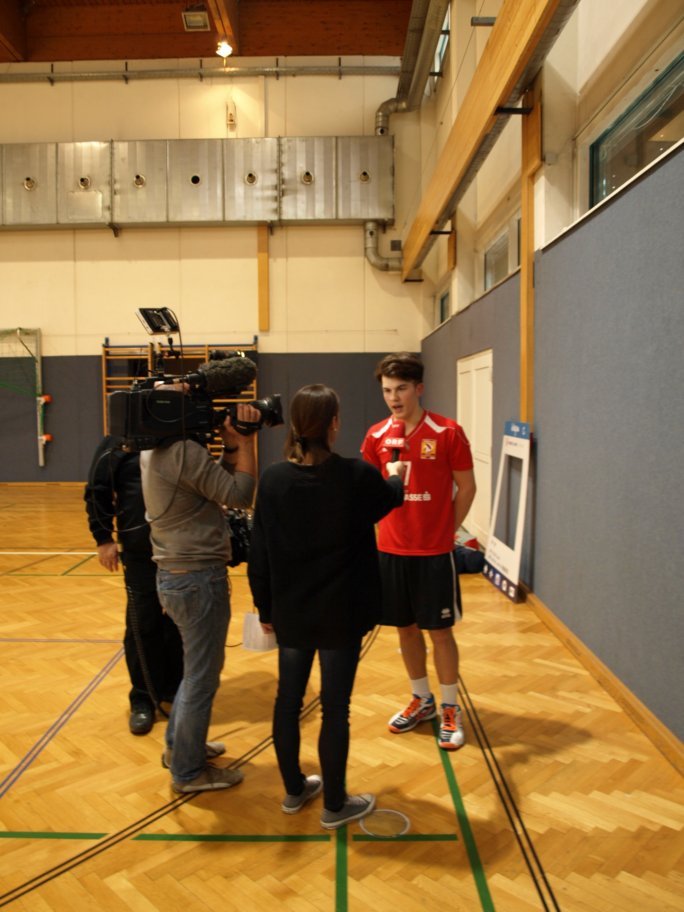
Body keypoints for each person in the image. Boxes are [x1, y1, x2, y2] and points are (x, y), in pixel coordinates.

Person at [247, 384, 405, 829]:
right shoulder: (357, 476)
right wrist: (397, 475)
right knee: (336, 708)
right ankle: (335, 804)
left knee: (287, 702)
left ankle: (294, 790)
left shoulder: (273, 480)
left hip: (292, 613)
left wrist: (265, 609)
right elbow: (390, 498)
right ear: (334, 424)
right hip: (342, 613)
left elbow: (259, 553)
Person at [140, 400, 259, 794]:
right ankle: (189, 772)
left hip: (175, 575)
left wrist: (230, 447)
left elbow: (209, 486)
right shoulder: (184, 451)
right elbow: (240, 494)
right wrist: (248, 442)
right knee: (201, 678)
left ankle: (181, 747)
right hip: (197, 579)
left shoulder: (155, 449)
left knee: (195, 672)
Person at [361, 352, 476, 751]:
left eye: (402, 389)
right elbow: (372, 491)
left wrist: (446, 530)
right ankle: (422, 699)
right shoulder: (376, 436)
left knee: (440, 632)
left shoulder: (448, 432)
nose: (394, 398)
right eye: (387, 390)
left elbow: (468, 487)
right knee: (405, 629)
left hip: (433, 553)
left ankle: (450, 707)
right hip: (391, 550)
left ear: (419, 388)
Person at [84, 436, 183, 735]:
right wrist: (103, 538)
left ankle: (174, 689)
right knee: (143, 622)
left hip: (183, 548)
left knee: (179, 622)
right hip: (140, 550)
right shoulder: (118, 442)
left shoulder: (182, 434)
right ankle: (143, 697)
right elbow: (97, 490)